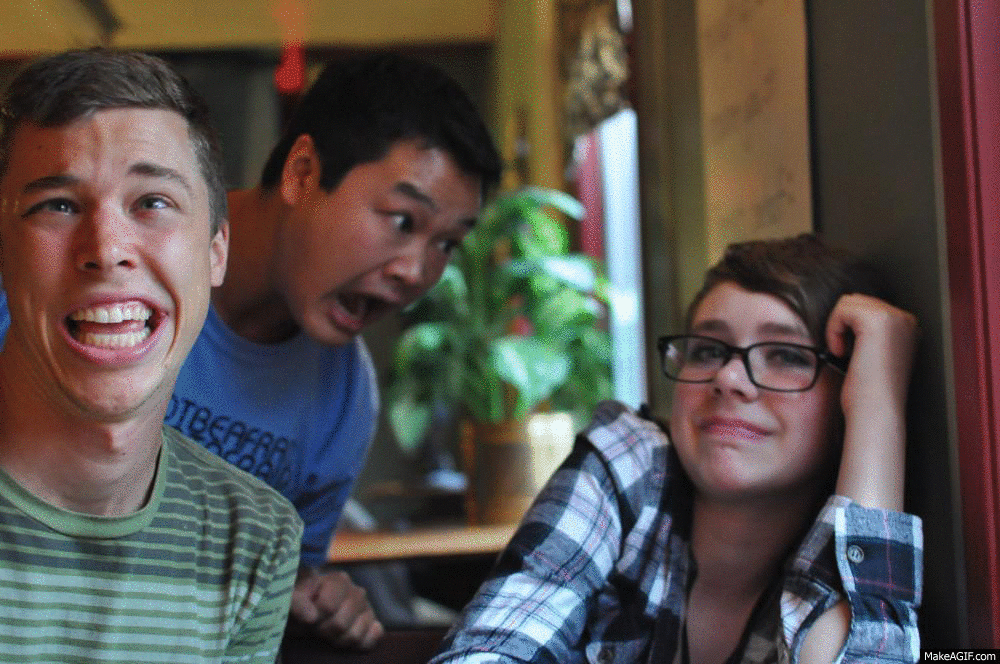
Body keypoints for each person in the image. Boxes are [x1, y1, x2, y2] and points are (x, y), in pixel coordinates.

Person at [432, 234, 923, 663]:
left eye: (785, 356)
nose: (728, 378)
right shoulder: (629, 459)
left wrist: (878, 412)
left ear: (846, 398)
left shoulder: (856, 453)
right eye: (708, 350)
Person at [163, 52, 502, 648]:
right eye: (403, 220)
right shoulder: (123, 267)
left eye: (447, 243)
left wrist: (311, 595)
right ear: (301, 173)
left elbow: (275, 590)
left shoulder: (345, 400)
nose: (416, 271)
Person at [0, 49, 302, 661]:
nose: (106, 248)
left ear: (216, 251)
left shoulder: (253, 542)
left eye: (153, 202)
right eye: (58, 204)